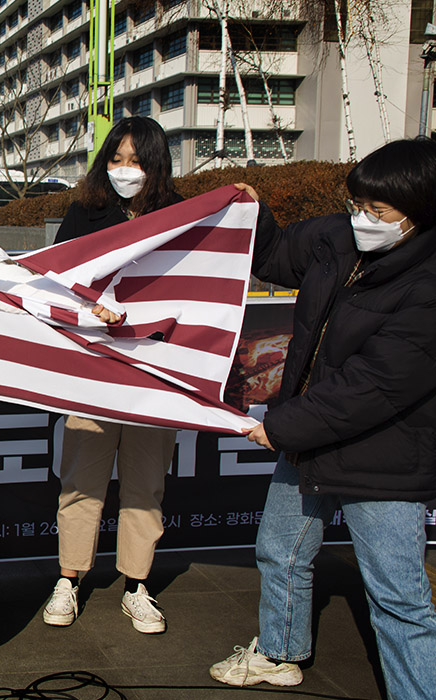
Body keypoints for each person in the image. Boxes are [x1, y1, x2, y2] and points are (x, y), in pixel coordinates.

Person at [208, 138, 436, 699]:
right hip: (307, 438)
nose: (363, 219)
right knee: (280, 552)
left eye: (378, 212)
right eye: (357, 204)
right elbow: (275, 252)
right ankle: (279, 653)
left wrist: (282, 427)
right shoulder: (338, 237)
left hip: (382, 455)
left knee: (398, 598)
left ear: (422, 211)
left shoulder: (429, 286)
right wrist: (253, 212)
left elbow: (376, 387)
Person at [45, 117, 182, 635]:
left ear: (157, 165)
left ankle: (137, 585)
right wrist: (91, 310)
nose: (125, 171)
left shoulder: (179, 213)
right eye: (117, 159)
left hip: (153, 371)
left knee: (146, 484)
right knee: (82, 480)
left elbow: (195, 285)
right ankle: (69, 580)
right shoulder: (87, 210)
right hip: (93, 369)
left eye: (137, 161)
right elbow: (57, 280)